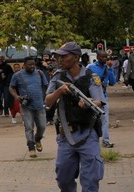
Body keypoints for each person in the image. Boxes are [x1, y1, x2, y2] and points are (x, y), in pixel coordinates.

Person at [45, 42, 106, 191]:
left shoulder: (91, 76)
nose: (60, 59)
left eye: (64, 56)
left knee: (90, 179)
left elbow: (99, 102)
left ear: (76, 58)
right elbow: (47, 101)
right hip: (67, 135)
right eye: (59, 56)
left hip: (88, 133)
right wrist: (60, 91)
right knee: (63, 177)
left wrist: (89, 102)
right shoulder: (58, 76)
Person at [9, 58, 49, 158]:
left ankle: (38, 139)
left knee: (42, 126)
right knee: (29, 127)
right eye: (29, 65)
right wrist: (16, 97)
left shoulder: (39, 73)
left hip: (39, 105)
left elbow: (46, 85)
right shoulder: (18, 75)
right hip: (26, 106)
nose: (32, 66)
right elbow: (11, 87)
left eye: (33, 65)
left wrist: (46, 97)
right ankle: (31, 147)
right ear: (25, 65)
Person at [86, 50, 116, 148]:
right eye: (102, 57)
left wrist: (111, 69)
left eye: (106, 57)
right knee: (91, 119)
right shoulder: (90, 67)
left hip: (103, 97)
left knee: (105, 120)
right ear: (97, 57)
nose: (105, 59)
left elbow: (113, 82)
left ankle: (105, 140)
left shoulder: (107, 69)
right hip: (92, 98)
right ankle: (89, 141)